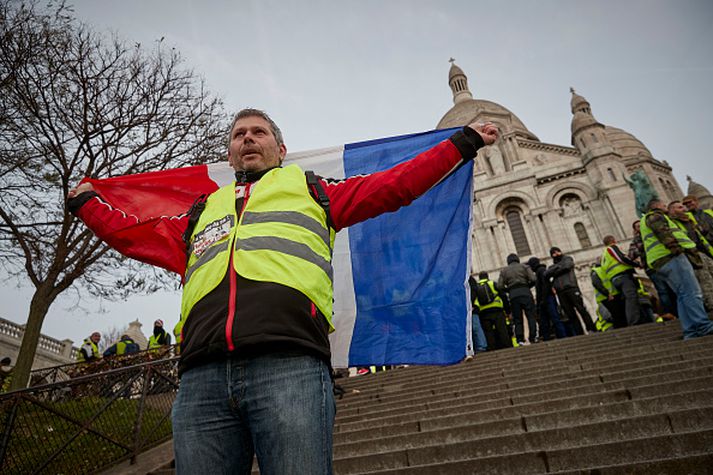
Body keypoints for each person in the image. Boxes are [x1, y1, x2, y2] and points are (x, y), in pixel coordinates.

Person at [68, 108, 499, 474]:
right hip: (201, 378)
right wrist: (87, 203)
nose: (248, 139)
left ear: (280, 149)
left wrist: (461, 143)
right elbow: (130, 234)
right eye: (239, 135)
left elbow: (394, 184)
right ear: (230, 152)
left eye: (259, 132)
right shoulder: (201, 211)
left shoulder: (314, 191)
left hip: (289, 366)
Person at [640, 198, 713, 339]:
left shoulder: (649, 219)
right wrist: (678, 251)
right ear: (656, 206)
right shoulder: (656, 216)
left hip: (661, 261)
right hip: (671, 257)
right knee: (692, 292)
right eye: (662, 204)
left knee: (682, 295)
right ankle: (703, 325)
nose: (665, 205)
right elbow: (665, 234)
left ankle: (690, 331)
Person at [668, 200, 713, 315]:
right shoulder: (672, 223)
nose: (684, 209)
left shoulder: (689, 220)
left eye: (683, 207)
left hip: (704, 253)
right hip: (692, 255)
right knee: (705, 282)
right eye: (680, 207)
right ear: (672, 211)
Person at [628, 220, 677, 318]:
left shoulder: (653, 233)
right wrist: (641, 250)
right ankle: (671, 313)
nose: (640, 227)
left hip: (664, 263)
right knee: (662, 290)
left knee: (673, 287)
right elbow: (631, 254)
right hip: (651, 267)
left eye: (640, 225)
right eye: (637, 226)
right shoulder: (636, 241)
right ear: (635, 230)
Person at [545, 247, 597, 335]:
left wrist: (555, 270)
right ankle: (579, 332)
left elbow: (567, 266)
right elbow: (546, 273)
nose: (556, 254)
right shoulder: (552, 266)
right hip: (561, 292)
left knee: (581, 309)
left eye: (557, 251)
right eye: (553, 253)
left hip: (571, 287)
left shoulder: (567, 259)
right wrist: (558, 268)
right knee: (570, 314)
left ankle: (591, 328)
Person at [600, 235, 641, 326]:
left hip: (614, 279)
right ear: (614, 241)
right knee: (631, 297)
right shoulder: (611, 248)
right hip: (622, 276)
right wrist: (636, 264)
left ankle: (632, 319)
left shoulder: (603, 255)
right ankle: (634, 321)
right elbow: (621, 258)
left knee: (627, 298)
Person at [498, 253, 537, 345]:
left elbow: (499, 286)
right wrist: (527, 286)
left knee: (517, 318)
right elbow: (534, 279)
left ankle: (519, 339)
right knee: (530, 316)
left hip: (513, 296)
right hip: (526, 293)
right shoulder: (525, 267)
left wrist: (509, 290)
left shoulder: (504, 271)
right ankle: (533, 337)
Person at [527, 257, 568, 340]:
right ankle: (548, 337)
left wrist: (543, 299)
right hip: (544, 299)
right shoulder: (539, 272)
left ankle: (562, 336)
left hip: (547, 298)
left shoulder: (541, 270)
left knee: (554, 318)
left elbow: (545, 285)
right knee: (544, 320)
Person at [473, 271, 512, 351]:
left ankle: (491, 348)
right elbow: (503, 296)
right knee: (502, 329)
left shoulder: (476, 286)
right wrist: (508, 310)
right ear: (487, 276)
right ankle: (507, 346)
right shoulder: (492, 283)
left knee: (488, 332)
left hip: (483, 311)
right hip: (496, 309)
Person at [590, 259, 623, 329]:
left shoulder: (603, 270)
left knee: (618, 316)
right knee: (617, 316)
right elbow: (597, 283)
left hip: (612, 295)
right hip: (607, 297)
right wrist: (607, 294)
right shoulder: (597, 271)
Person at [468, 275, 489, 355]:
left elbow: (474, 291)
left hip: (472, 307)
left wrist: (470, 303)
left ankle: (481, 346)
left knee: (475, 327)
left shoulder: (469, 278)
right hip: (461, 309)